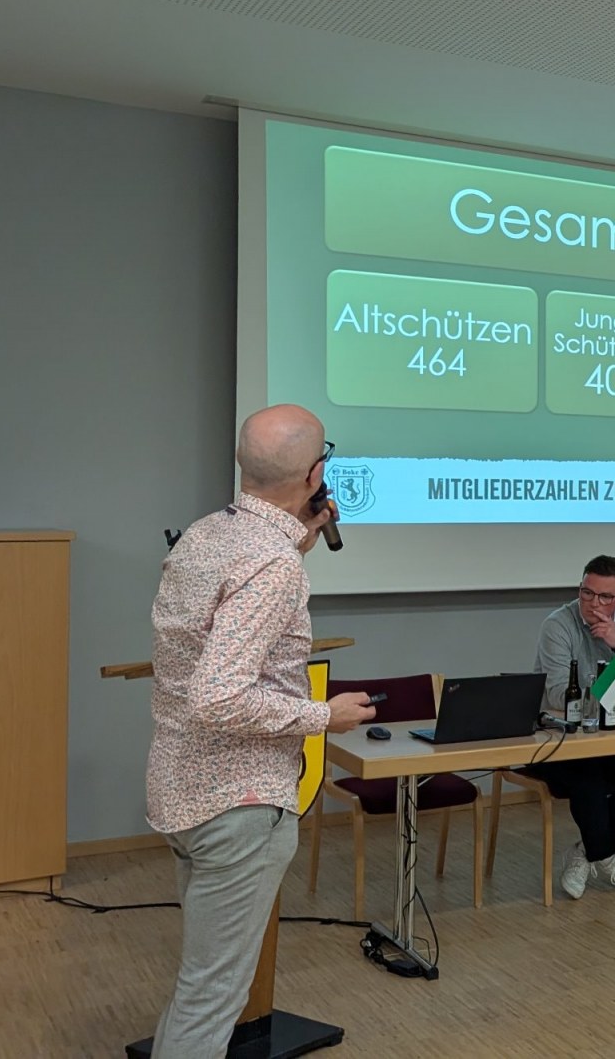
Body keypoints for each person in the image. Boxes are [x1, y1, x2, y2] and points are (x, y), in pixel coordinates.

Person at [145, 404, 377, 1055]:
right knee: (212, 995)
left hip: (182, 789)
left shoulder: (207, 535)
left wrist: (298, 542)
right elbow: (219, 695)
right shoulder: (272, 567)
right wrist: (324, 715)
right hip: (238, 802)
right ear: (316, 474)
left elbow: (224, 616)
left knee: (203, 983)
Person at [531, 555, 615, 898]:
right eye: (587, 593)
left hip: (608, 739)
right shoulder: (558, 625)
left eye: (605, 597)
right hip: (558, 739)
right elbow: (560, 694)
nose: (593, 603)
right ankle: (607, 858)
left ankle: (585, 852)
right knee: (588, 778)